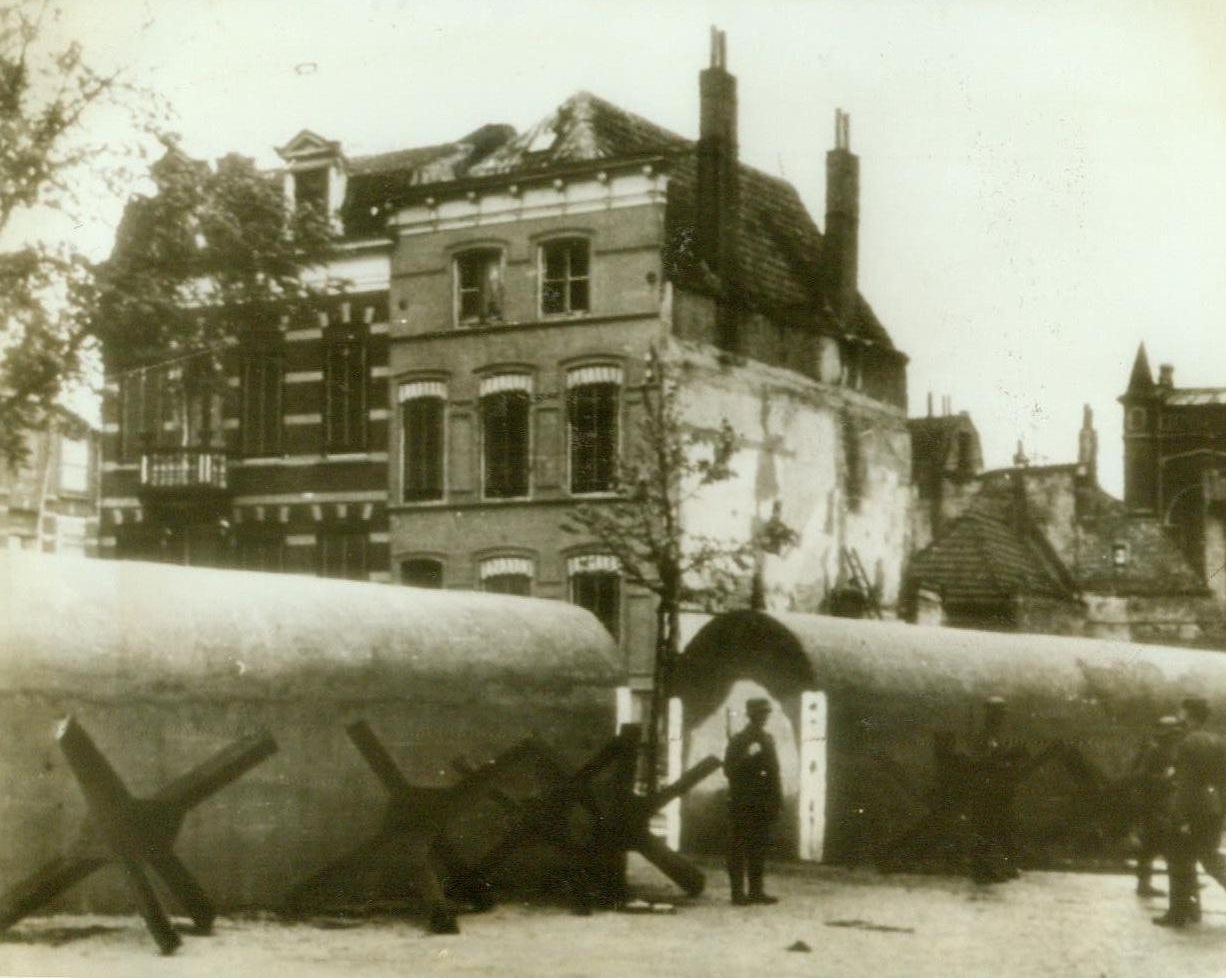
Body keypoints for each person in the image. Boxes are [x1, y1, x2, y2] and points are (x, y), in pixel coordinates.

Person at [1155, 696, 1226, 927]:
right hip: (1213, 806)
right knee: (1209, 858)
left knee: (1178, 858)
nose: (1179, 714)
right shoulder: (1218, 740)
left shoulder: (1187, 742)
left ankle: (1179, 913)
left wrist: (1181, 816)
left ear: (1188, 714)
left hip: (1191, 807)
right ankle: (1189, 909)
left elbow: (1186, 782)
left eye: (1181, 711)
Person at [724, 697, 782, 905]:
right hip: (742, 802)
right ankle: (737, 893)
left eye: (766, 713)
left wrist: (777, 799)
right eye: (761, 714)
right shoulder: (739, 740)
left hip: (763, 802)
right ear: (752, 715)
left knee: (759, 847)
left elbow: (775, 772)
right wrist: (750, 758)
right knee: (738, 847)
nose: (764, 717)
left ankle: (756, 891)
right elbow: (728, 771)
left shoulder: (768, 739)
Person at [968, 696, 1023, 884]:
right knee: (986, 828)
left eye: (1000, 713)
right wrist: (1001, 760)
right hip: (986, 790)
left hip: (1000, 790)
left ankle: (1000, 867)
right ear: (990, 714)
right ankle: (984, 868)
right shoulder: (983, 737)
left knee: (1001, 828)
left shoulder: (998, 737)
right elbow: (979, 761)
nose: (999, 717)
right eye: (996, 713)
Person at [1128, 715, 1182, 898]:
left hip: (1161, 803)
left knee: (1151, 845)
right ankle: (1183, 884)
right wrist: (1166, 780)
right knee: (1162, 843)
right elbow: (1140, 776)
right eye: (1173, 733)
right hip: (1151, 804)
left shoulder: (1169, 750)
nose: (1175, 736)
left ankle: (1144, 884)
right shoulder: (1154, 750)